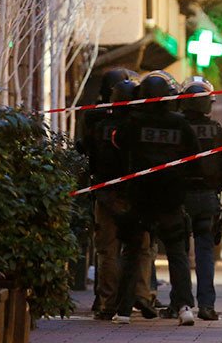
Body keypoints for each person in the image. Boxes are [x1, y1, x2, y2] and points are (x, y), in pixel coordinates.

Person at [111, 70, 200, 326]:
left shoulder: (133, 123)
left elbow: (118, 145)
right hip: (171, 198)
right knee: (176, 253)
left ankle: (124, 310)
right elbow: (194, 157)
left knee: (133, 253)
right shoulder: (180, 124)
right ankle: (184, 307)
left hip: (140, 197)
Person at [85, 72, 157, 321]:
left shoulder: (99, 125)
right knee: (142, 248)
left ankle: (107, 303)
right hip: (136, 196)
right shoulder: (139, 127)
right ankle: (142, 294)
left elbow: (87, 153)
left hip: (105, 194)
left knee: (108, 250)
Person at [179, 77, 222, 321]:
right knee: (204, 252)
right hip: (207, 198)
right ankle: (207, 305)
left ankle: (181, 304)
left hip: (180, 198)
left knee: (179, 252)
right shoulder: (218, 131)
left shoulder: (178, 129)